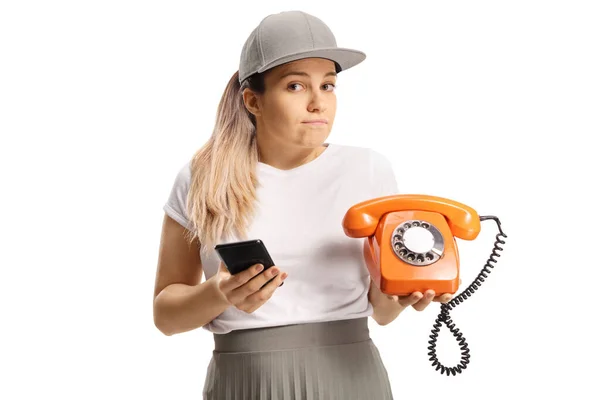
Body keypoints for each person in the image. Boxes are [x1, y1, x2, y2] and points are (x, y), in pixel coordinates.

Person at [153, 10, 453, 399]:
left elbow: (380, 312)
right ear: (252, 100)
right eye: (296, 86)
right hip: (245, 383)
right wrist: (220, 292)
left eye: (328, 86)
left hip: (352, 378)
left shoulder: (368, 170)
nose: (318, 103)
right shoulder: (202, 178)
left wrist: (405, 292)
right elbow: (165, 316)